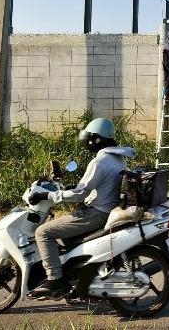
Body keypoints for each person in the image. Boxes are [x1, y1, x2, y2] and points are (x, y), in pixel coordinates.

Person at [27, 118, 136, 300]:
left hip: (97, 213)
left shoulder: (100, 161)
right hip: (107, 210)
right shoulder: (118, 157)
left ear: (97, 139)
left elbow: (80, 193)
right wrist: (73, 189)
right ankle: (76, 282)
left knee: (43, 232)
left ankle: (55, 280)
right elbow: (100, 186)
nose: (87, 142)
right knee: (65, 235)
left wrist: (47, 195)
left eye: (89, 138)